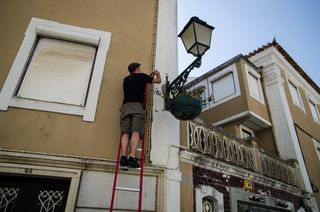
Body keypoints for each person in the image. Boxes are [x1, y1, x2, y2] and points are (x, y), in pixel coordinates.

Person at [120, 62, 161, 168]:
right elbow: (158, 81)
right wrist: (157, 74)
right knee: (136, 132)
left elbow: (136, 84)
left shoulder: (126, 79)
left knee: (125, 132)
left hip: (125, 107)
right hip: (137, 106)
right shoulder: (142, 77)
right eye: (139, 68)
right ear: (137, 69)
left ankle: (123, 156)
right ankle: (132, 157)